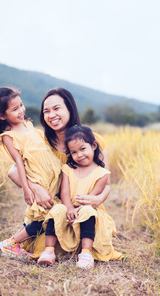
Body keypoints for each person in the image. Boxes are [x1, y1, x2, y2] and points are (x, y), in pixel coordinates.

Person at [7, 88, 115, 260]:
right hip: (55, 207)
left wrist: (98, 199)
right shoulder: (41, 142)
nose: (51, 115)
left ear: (69, 109)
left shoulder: (92, 140)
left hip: (85, 206)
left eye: (57, 108)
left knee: (90, 236)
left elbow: (106, 183)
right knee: (47, 244)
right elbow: (13, 171)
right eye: (46, 111)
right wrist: (36, 189)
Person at [0, 87, 63, 259]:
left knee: (44, 215)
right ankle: (11, 243)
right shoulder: (9, 136)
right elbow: (19, 163)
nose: (21, 111)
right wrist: (27, 189)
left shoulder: (27, 125)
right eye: (15, 109)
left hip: (50, 177)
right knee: (44, 218)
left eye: (21, 105)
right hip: (38, 178)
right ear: (2, 116)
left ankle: (16, 243)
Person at [37, 126, 122, 269]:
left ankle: (86, 253)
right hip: (68, 207)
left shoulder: (101, 173)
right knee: (57, 209)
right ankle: (49, 251)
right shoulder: (68, 169)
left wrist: (79, 209)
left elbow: (91, 197)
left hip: (87, 208)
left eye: (83, 149)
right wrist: (69, 208)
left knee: (88, 212)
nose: (79, 155)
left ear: (94, 146)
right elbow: (64, 192)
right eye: (74, 152)